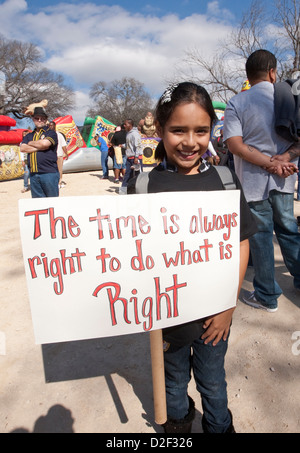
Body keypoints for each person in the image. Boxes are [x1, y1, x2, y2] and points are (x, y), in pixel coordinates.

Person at [128, 82, 257, 433]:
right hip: (167, 321)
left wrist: (228, 306)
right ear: (159, 128)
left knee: (213, 382)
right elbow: (129, 253)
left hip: (214, 318)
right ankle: (179, 425)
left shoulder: (225, 181)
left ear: (212, 131)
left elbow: (241, 244)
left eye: (201, 131)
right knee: (172, 382)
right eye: (178, 130)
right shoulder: (142, 187)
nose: (190, 141)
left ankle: (219, 426)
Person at [223, 49, 300, 313]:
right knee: (289, 230)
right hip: (285, 179)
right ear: (272, 72)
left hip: (254, 183)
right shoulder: (291, 99)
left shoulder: (237, 102)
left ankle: (267, 297)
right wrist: (283, 158)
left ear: (248, 75)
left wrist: (268, 163)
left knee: (262, 238)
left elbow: (234, 145)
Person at [20, 107, 59, 198]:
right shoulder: (29, 135)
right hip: (33, 174)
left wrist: (30, 143)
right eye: (37, 118)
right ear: (33, 119)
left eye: (42, 118)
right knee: (38, 204)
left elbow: (45, 144)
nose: (39, 120)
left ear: (46, 120)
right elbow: (23, 148)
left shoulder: (51, 133)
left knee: (52, 202)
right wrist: (39, 147)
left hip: (49, 172)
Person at [120, 119, 143, 192]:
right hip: (129, 157)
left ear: (130, 125)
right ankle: (124, 190)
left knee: (138, 175)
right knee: (127, 175)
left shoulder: (135, 134)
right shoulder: (128, 134)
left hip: (135, 158)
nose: (124, 126)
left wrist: (136, 157)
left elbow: (138, 146)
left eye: (125, 124)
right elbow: (129, 145)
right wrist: (122, 145)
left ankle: (140, 190)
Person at [49, 121, 68, 189]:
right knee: (52, 170)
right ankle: (53, 182)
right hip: (50, 156)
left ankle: (59, 182)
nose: (50, 127)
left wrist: (66, 153)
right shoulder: (47, 135)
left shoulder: (59, 135)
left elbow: (63, 145)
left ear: (55, 126)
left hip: (59, 155)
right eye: (49, 125)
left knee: (59, 170)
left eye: (52, 125)